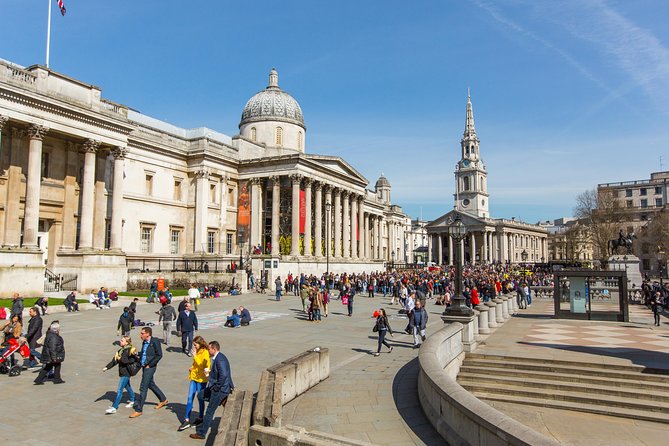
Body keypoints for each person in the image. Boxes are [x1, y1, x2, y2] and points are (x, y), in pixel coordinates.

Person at [189, 341, 233, 440]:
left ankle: (202, 433)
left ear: (214, 349)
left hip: (219, 390)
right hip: (216, 387)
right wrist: (209, 374)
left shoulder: (219, 360)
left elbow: (224, 376)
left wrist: (217, 388)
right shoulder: (218, 357)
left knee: (209, 411)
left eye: (209, 349)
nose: (208, 351)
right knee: (200, 395)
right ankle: (221, 400)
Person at [130, 327, 168, 418]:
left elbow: (159, 355)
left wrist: (150, 365)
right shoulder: (144, 342)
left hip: (150, 367)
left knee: (143, 387)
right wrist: (137, 354)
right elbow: (144, 353)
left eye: (142, 333)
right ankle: (163, 399)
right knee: (150, 384)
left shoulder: (155, 341)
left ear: (148, 334)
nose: (141, 335)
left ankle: (139, 410)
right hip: (144, 365)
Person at [178, 336, 211, 431]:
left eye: (195, 345)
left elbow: (203, 366)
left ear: (200, 344)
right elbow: (196, 364)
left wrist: (195, 356)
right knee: (189, 397)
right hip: (194, 377)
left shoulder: (205, 353)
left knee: (200, 398)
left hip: (201, 379)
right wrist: (192, 367)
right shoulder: (198, 351)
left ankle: (200, 417)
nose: (194, 346)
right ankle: (186, 419)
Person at [102, 335, 138, 414]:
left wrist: (120, 358)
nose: (120, 342)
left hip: (127, 372)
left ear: (127, 342)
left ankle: (114, 407)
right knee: (128, 387)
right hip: (122, 372)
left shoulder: (131, 351)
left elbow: (129, 361)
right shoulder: (120, 351)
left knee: (119, 390)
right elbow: (114, 361)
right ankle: (133, 400)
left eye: (122, 340)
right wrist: (107, 367)